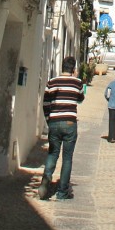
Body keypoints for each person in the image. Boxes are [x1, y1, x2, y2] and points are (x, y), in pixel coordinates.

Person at [40, 55, 85, 201]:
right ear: (73, 69)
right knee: (67, 158)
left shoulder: (52, 82)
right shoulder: (77, 82)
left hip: (54, 122)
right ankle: (62, 192)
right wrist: (76, 78)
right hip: (70, 123)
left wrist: (49, 119)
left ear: (62, 67)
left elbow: (45, 103)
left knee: (52, 154)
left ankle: (45, 184)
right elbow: (80, 99)